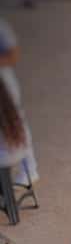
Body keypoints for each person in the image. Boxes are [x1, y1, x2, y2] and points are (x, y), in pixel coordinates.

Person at [0, 18, 37, 185]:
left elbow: (13, 55)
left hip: (4, 82)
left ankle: (29, 170)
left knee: (15, 120)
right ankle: (28, 170)